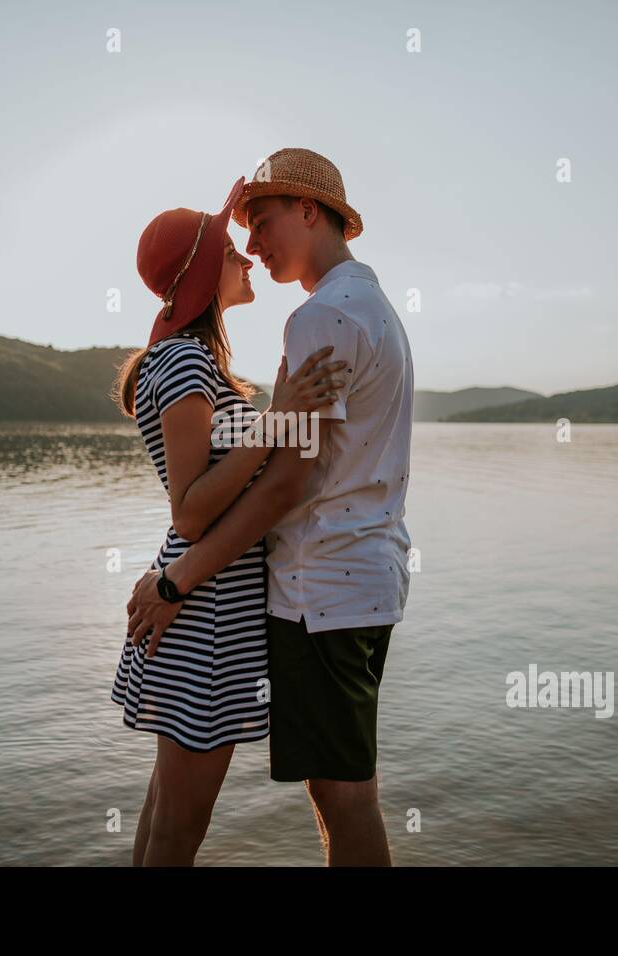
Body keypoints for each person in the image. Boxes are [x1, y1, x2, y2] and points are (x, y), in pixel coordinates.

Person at [127, 149, 415, 866]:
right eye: (238, 238)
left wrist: (176, 579)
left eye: (261, 222)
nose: (251, 247)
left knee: (340, 798)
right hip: (345, 583)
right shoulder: (368, 309)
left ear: (309, 210)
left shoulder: (322, 318)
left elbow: (289, 483)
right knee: (326, 797)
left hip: (322, 590)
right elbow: (260, 478)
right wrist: (181, 578)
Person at [109, 175, 348, 866]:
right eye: (228, 248)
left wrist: (275, 403)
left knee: (165, 817)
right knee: (179, 828)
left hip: (207, 605)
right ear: (201, 272)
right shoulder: (184, 363)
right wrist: (277, 418)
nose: (246, 254)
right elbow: (190, 510)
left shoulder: (197, 362)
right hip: (203, 614)